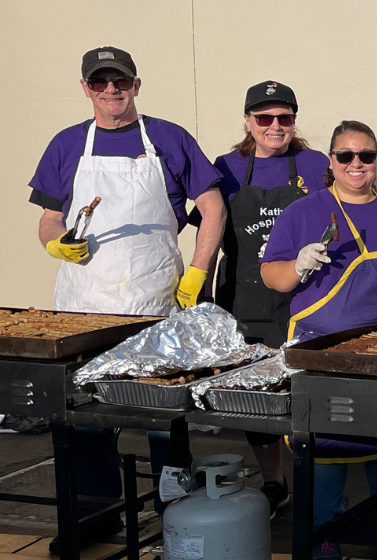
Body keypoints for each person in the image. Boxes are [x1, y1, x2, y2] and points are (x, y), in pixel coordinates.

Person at [29, 46, 225, 531]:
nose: (111, 90)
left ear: (137, 85)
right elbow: (50, 217)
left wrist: (197, 272)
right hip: (83, 306)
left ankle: (177, 515)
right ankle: (96, 515)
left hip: (152, 300)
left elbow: (214, 207)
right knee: (87, 413)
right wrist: (55, 244)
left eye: (120, 81)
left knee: (163, 411)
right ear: (86, 89)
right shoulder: (67, 143)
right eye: (100, 83)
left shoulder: (169, 138)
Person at [261, 120, 377, 560]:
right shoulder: (303, 213)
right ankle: (324, 539)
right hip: (324, 360)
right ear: (331, 162)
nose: (356, 164)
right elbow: (272, 276)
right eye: (346, 156)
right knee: (324, 456)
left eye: (366, 156)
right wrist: (298, 265)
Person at [211, 80, 330, 515]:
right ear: (248, 122)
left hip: (307, 295)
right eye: (264, 118)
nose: (274, 126)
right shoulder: (224, 167)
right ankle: (273, 479)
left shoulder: (316, 163)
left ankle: (319, 481)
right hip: (245, 296)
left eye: (284, 118)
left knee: (306, 390)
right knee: (257, 393)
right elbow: (206, 222)